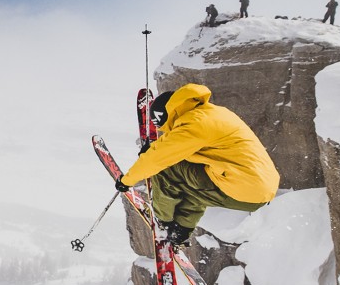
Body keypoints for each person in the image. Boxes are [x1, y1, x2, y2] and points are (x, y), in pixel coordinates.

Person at [114, 84, 279, 245]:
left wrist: (126, 181)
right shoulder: (211, 114)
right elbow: (182, 145)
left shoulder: (193, 125)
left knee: (166, 168)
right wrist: (155, 147)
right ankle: (181, 229)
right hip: (258, 190)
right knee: (194, 183)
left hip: (243, 186)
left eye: (165, 127)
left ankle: (162, 222)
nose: (166, 131)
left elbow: (157, 159)